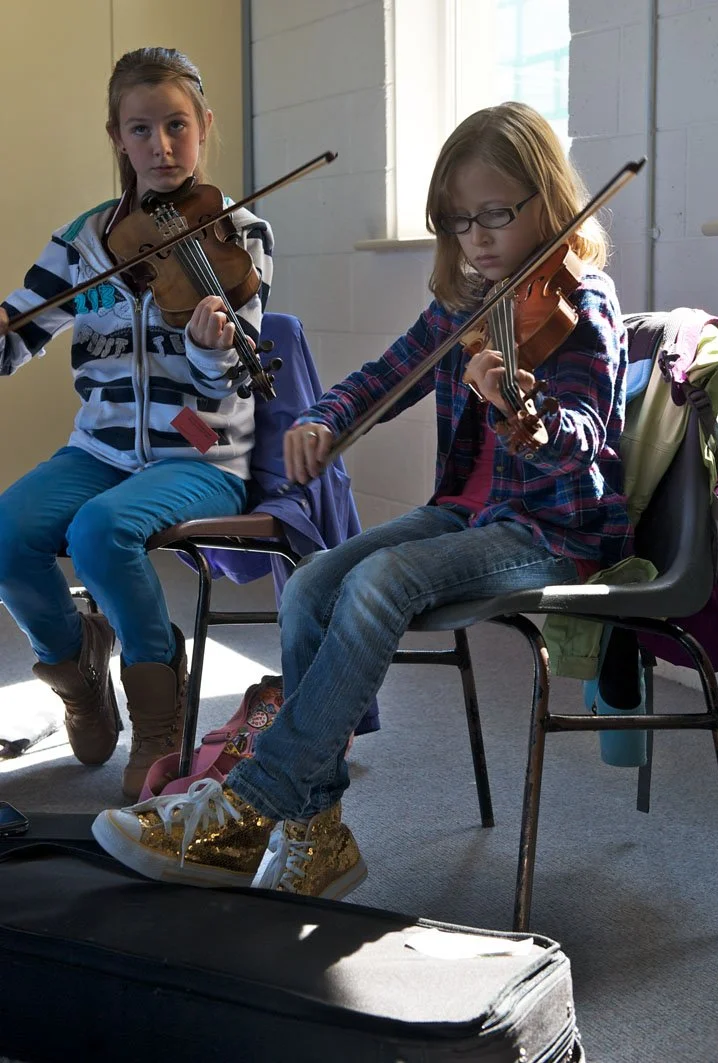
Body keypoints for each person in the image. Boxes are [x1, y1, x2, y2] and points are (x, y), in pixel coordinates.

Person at [92, 101, 633, 899]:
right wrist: (321, 417)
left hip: (550, 527)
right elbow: (384, 376)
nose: (476, 238)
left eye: (495, 214)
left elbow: (583, 432)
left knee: (380, 582)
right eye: (457, 222)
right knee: (312, 579)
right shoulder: (466, 304)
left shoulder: (582, 308)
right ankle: (318, 833)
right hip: (466, 514)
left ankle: (252, 802)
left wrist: (529, 413)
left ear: (547, 202)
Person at [0, 47, 273, 800]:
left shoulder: (236, 236)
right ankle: (77, 670)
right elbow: (21, 330)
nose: (161, 146)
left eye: (177, 126)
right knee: (6, 531)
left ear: (205, 128)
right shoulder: (84, 244)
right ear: (116, 137)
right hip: (100, 449)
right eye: (141, 129)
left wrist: (208, 344)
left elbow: (229, 382)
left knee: (98, 530)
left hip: (202, 455)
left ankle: (158, 705)